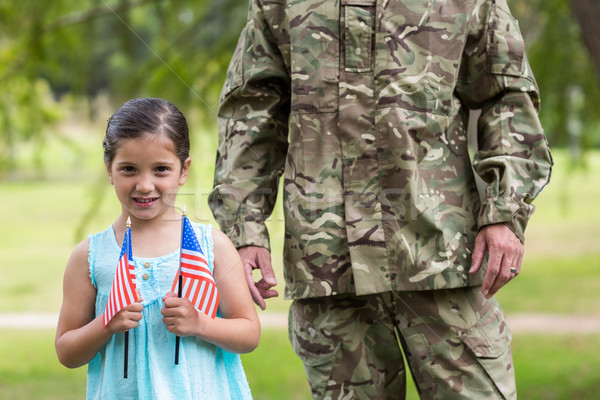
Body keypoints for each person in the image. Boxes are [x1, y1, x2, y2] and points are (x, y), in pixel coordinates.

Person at [210, 0, 553, 399]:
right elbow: (252, 110)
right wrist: (245, 228)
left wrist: (504, 212)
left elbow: (507, 97)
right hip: (329, 266)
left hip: (442, 257)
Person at [55, 98, 259, 400]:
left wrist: (200, 323)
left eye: (161, 169)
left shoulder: (210, 246)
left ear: (183, 170)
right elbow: (66, 351)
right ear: (109, 170)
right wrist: (105, 325)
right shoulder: (89, 256)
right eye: (129, 169)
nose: (145, 185)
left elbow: (249, 334)